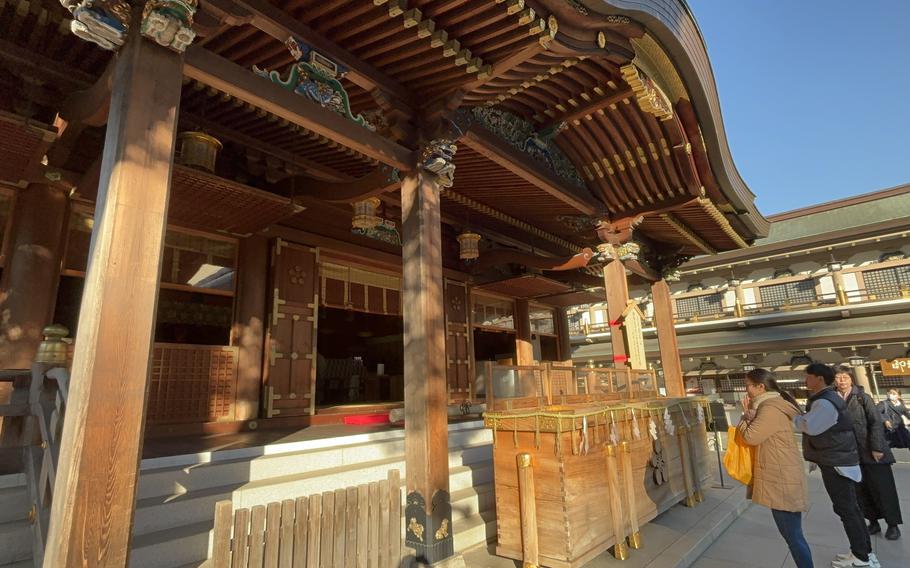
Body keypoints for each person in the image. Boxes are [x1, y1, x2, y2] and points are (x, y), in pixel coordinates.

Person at [793, 363, 879, 568]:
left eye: (808, 376)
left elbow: (810, 426)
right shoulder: (830, 398)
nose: (806, 381)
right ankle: (862, 552)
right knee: (851, 509)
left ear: (819, 379)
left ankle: (862, 558)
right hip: (839, 458)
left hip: (836, 461)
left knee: (847, 509)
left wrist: (793, 418)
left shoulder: (825, 402)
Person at [738, 368, 812, 567]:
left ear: (760, 386)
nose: (746, 390)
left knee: (793, 536)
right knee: (793, 534)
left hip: (780, 477)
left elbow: (750, 437)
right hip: (783, 472)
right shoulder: (775, 404)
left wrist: (745, 417)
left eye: (748, 385)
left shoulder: (769, 407)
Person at [833, 366, 902, 540]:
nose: (841, 381)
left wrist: (877, 447)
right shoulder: (833, 399)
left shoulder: (862, 397)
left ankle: (892, 524)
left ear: (851, 379)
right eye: (838, 377)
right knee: (860, 490)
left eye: (844, 377)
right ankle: (873, 521)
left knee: (883, 489)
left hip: (871, 450)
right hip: (850, 452)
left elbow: (875, 422)